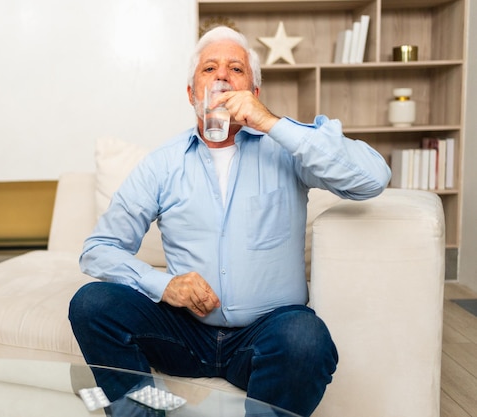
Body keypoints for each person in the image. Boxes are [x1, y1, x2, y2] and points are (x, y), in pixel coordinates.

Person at [69, 26, 391, 417]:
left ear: (253, 93)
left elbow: (373, 179)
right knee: (92, 304)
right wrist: (164, 284)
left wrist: (271, 122)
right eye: (209, 68)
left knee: (305, 337)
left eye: (235, 68)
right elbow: (99, 250)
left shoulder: (285, 150)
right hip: (183, 333)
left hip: (265, 334)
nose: (221, 76)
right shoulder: (161, 164)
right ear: (191, 93)